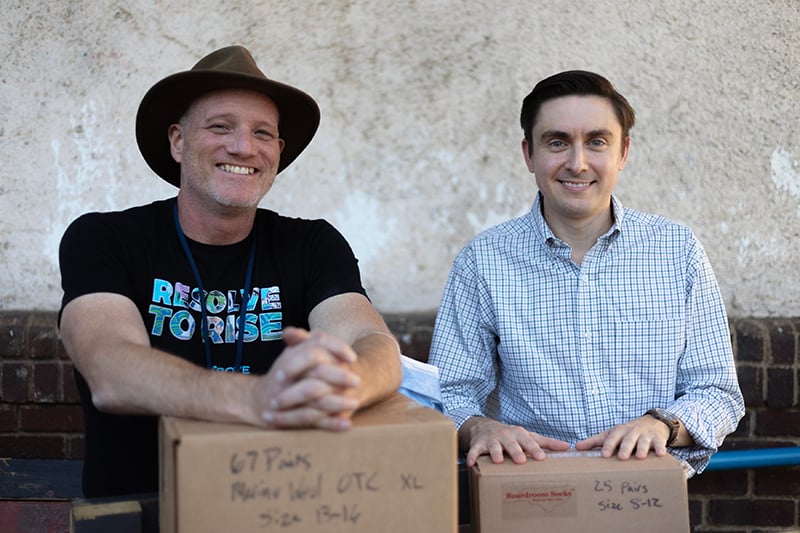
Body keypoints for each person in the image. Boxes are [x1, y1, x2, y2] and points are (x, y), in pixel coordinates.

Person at [58, 45, 402, 497]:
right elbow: (110, 369)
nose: (243, 147)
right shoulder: (105, 238)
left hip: (277, 506)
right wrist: (259, 399)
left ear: (277, 151)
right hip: (142, 511)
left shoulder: (312, 244)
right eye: (220, 127)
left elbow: (373, 343)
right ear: (178, 141)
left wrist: (345, 388)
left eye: (263, 133)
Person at [428, 70, 744, 477]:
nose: (577, 164)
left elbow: (717, 392)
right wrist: (480, 429)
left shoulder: (676, 251)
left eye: (597, 142)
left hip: (644, 495)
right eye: (557, 142)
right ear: (529, 154)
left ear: (623, 153)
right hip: (527, 493)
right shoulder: (483, 261)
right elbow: (448, 395)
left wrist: (661, 426)